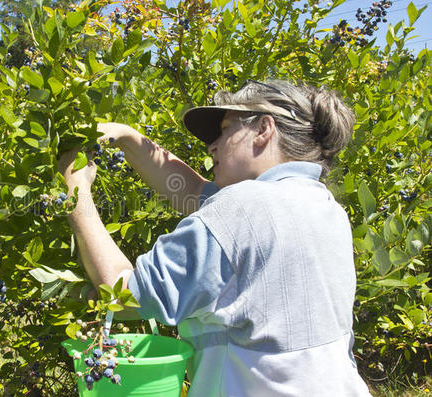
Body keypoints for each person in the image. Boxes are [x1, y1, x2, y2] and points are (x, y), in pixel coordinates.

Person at [58, 79, 372, 396]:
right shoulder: (324, 207)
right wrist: (127, 137)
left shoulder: (239, 210)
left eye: (224, 130)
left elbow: (125, 296)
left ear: (264, 129)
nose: (212, 145)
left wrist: (75, 195)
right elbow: (193, 191)